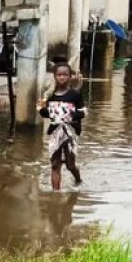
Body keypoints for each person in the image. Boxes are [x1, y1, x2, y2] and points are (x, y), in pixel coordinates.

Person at [38, 62, 85, 190]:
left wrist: (67, 114)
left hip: (70, 133)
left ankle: (78, 179)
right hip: (55, 132)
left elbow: (83, 113)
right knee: (55, 164)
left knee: (70, 165)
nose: (62, 77)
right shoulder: (50, 95)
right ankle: (56, 194)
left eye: (65, 74)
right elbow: (43, 113)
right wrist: (42, 105)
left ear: (70, 77)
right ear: (54, 76)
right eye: (59, 74)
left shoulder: (75, 94)